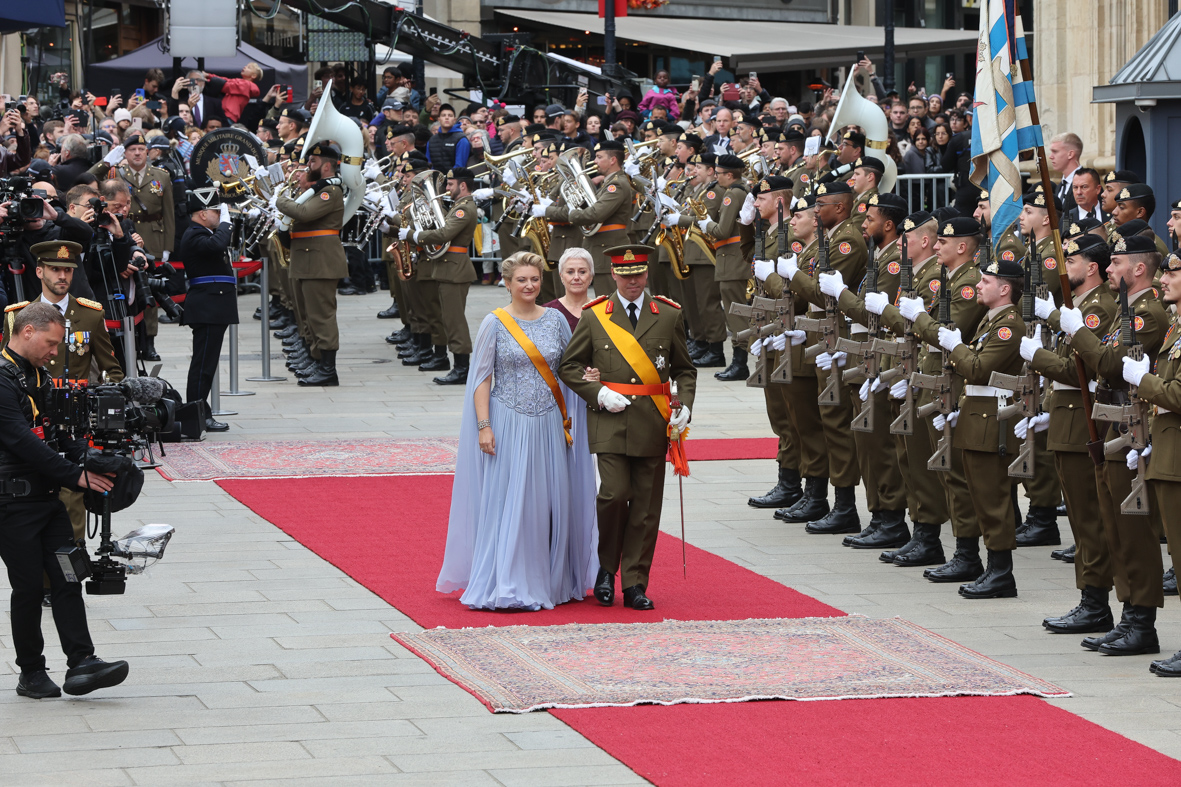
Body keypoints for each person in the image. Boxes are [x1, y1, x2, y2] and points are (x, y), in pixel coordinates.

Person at [437, 251, 597, 610]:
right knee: (511, 502)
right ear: (506, 283)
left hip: (550, 424)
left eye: (535, 279)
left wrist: (592, 377)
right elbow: (480, 379)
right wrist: (484, 427)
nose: (529, 285)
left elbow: (569, 367)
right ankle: (507, 580)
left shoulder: (556, 319)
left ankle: (549, 582)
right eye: (521, 280)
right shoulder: (494, 323)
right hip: (507, 421)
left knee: (547, 503)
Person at [0, 301, 129, 699]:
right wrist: (77, 476)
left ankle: (82, 663)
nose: (56, 352)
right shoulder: (3, 381)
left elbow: (60, 432)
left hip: (47, 500)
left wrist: (94, 460)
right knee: (26, 588)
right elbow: (22, 442)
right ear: (27, 332)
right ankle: (31, 673)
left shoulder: (38, 375)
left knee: (68, 576)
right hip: (12, 506)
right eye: (51, 344)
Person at [559, 245, 697, 611]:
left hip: (654, 422)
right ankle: (606, 569)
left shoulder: (667, 314)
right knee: (613, 496)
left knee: (646, 509)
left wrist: (683, 405)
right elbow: (570, 367)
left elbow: (684, 369)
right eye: (625, 274)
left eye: (638, 274)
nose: (632, 281)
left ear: (647, 275)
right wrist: (599, 393)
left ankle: (635, 583)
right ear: (613, 276)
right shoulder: (595, 316)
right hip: (610, 420)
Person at [276, 142, 348, 387]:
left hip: (321, 262)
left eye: (313, 162)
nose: (308, 166)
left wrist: (279, 200)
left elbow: (304, 213)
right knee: (310, 315)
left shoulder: (330, 192)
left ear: (327, 166)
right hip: (309, 259)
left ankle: (328, 370)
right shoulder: (319, 190)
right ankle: (318, 362)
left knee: (321, 317)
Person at [401, 167, 478, 385]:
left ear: (462, 186)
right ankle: (458, 366)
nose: (446, 188)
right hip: (448, 268)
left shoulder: (464, 209)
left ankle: (462, 368)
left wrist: (412, 235)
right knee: (448, 319)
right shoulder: (458, 207)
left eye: (450, 184)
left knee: (454, 322)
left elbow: (444, 234)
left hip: (455, 269)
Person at [178, 191, 237, 432]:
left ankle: (201, 412)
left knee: (206, 365)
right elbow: (217, 244)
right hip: (207, 307)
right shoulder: (195, 234)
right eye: (216, 212)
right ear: (202, 213)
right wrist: (225, 224)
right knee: (203, 365)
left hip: (213, 306)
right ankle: (196, 414)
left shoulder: (203, 233)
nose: (220, 216)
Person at [543, 247, 594, 328]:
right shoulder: (546, 312)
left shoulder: (601, 309)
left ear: (591, 276)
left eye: (582, 272)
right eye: (570, 272)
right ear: (561, 276)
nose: (576, 277)